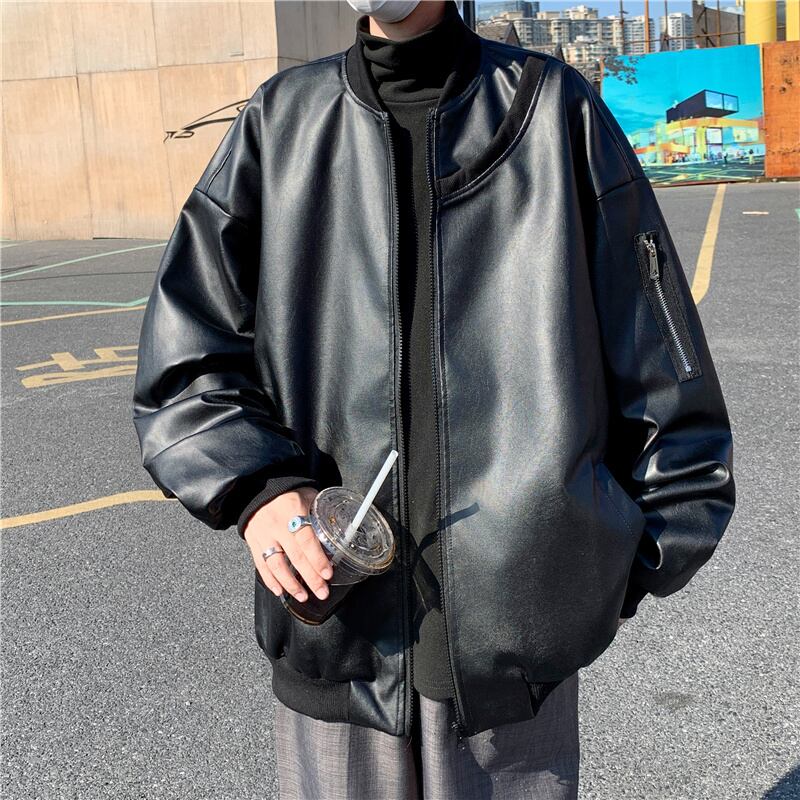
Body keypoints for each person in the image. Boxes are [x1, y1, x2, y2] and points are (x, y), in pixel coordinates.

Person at [132, 1, 736, 798]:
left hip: (516, 648)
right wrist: (258, 488)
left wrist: (606, 570)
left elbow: (657, 353)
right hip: (336, 631)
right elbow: (186, 350)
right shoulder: (283, 122)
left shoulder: (554, 111)